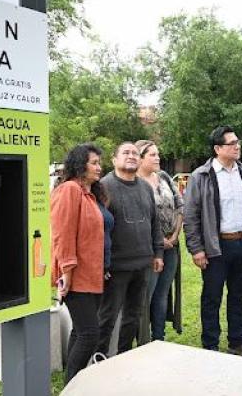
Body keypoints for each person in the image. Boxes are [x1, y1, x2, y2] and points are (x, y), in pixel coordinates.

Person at [183, 126, 242, 357]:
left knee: (238, 294)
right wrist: (196, 249)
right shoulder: (201, 176)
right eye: (231, 143)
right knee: (212, 296)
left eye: (238, 142)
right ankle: (210, 346)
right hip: (215, 246)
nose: (237, 146)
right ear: (218, 149)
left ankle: (238, 342)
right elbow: (191, 215)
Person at [96, 142, 164, 356]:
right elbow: (97, 228)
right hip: (115, 267)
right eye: (126, 152)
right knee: (107, 318)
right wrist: (101, 263)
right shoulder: (103, 187)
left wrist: (158, 252)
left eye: (135, 153)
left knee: (133, 317)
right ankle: (100, 360)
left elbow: (155, 222)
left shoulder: (145, 187)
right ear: (114, 160)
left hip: (143, 263)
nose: (131, 156)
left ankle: (124, 357)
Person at [50, 143, 108, 382]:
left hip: (92, 275)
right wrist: (67, 271)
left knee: (81, 331)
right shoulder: (69, 190)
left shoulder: (89, 194)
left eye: (99, 163)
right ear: (79, 165)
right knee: (89, 334)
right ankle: (73, 383)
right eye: (94, 163)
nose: (99, 167)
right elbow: (62, 234)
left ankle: (71, 382)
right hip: (76, 276)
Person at [135, 140, 184, 341]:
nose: (157, 158)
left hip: (172, 246)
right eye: (152, 155)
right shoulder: (135, 182)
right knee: (147, 295)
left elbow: (180, 205)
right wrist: (158, 240)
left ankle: (159, 338)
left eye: (158, 154)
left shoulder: (163, 176)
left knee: (162, 294)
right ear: (140, 158)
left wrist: (174, 235)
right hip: (150, 250)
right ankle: (143, 340)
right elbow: (139, 218)